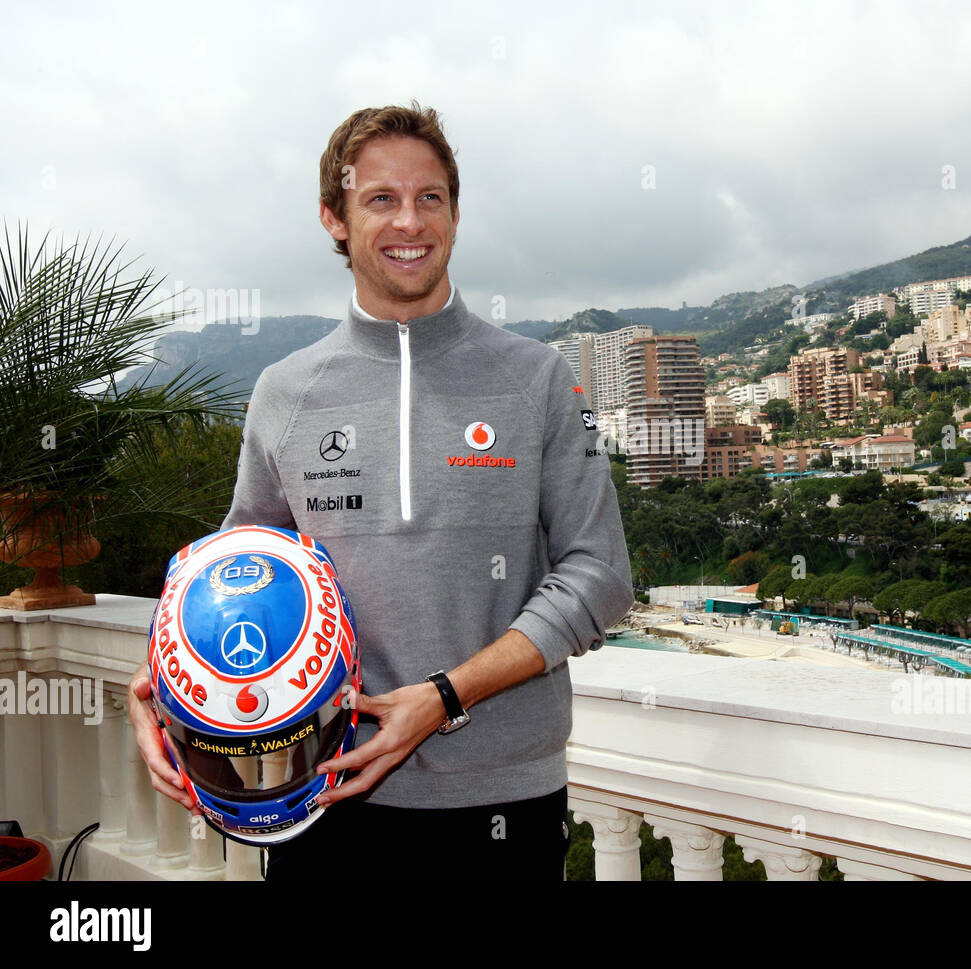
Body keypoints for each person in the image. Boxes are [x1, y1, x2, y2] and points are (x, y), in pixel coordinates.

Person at [127, 101, 635, 880]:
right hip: (319, 800)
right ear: (334, 218)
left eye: (430, 197)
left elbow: (599, 577)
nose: (411, 221)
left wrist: (443, 696)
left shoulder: (538, 377)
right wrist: (156, 685)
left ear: (457, 215)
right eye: (380, 199)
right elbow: (233, 578)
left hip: (502, 801)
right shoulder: (283, 391)